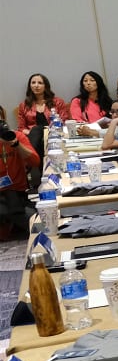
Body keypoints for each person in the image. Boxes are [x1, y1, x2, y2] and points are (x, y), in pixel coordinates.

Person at [0, 110, 38, 239]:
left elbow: (35, 161)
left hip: (17, 193)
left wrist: (16, 145)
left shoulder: (16, 137)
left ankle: (9, 223)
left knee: (39, 223)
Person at [15, 73, 69, 144]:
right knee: (36, 130)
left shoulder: (58, 102)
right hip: (32, 137)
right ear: (30, 86)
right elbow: (21, 128)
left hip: (54, 136)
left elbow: (64, 121)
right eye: (33, 83)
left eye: (40, 83)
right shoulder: (24, 105)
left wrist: (49, 133)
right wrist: (32, 134)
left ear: (45, 86)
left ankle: (34, 154)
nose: (36, 85)